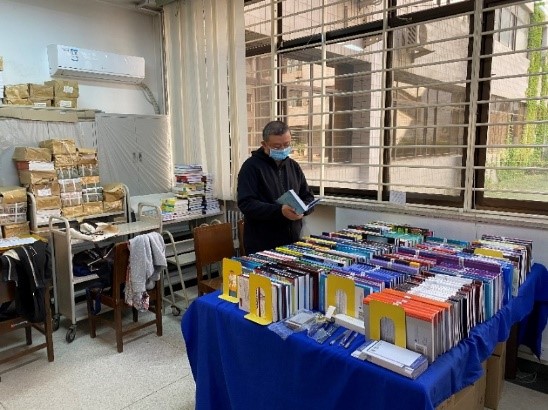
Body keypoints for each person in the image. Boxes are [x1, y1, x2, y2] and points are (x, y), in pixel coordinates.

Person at [237, 120, 315, 255]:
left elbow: (308, 196)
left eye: (287, 145)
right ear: (264, 144)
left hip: (293, 241)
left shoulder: (293, 166)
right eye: (277, 146)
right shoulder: (251, 167)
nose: (283, 149)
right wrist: (279, 211)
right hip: (263, 244)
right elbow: (246, 204)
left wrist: (303, 209)